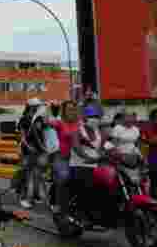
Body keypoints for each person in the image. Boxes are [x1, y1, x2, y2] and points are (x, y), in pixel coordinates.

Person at [58, 102, 107, 234]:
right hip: (80, 165)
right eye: (91, 116)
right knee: (87, 187)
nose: (94, 119)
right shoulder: (77, 131)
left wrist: (111, 153)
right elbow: (76, 146)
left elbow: (104, 147)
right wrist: (86, 157)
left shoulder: (100, 132)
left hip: (96, 165)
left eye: (96, 116)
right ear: (84, 118)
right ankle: (81, 215)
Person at [48, 101, 82, 212]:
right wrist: (45, 119)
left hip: (78, 157)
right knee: (63, 177)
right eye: (68, 109)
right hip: (63, 157)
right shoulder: (59, 123)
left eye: (73, 109)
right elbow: (48, 122)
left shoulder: (80, 123)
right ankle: (58, 204)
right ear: (64, 111)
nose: (71, 111)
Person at [17, 99, 49, 209]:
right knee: (29, 175)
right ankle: (27, 198)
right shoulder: (24, 119)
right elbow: (22, 136)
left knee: (36, 174)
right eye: (36, 106)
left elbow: (43, 134)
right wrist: (29, 147)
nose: (38, 107)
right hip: (29, 151)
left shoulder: (38, 118)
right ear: (31, 107)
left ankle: (34, 197)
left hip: (37, 150)